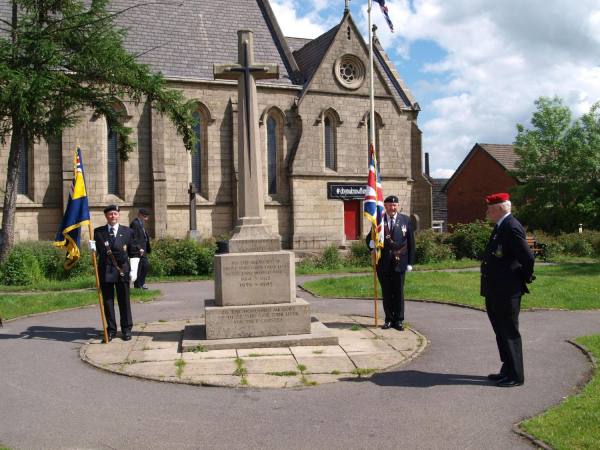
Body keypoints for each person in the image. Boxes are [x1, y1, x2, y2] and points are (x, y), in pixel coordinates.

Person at [481, 193, 535, 388]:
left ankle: (516, 375)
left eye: (490, 208)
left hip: (506, 290)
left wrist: (524, 277)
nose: (488, 212)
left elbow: (527, 257)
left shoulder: (511, 226)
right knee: (500, 331)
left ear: (501, 208)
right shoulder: (500, 226)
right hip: (495, 289)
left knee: (509, 332)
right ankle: (507, 367)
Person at [88, 205, 140, 342]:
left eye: (115, 214)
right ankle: (111, 330)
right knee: (108, 302)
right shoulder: (99, 232)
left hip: (122, 271)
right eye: (110, 214)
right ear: (106, 216)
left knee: (124, 302)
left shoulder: (127, 231)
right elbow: (98, 253)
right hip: (105, 271)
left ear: (119, 215)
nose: (113, 216)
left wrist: (134, 270)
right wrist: (93, 250)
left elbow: (133, 252)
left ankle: (126, 329)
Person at [366, 195, 415, 330]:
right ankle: (388, 319)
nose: (392, 208)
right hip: (383, 262)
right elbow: (371, 236)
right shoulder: (379, 220)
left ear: (397, 206)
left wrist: (410, 262)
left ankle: (398, 320)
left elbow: (411, 242)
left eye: (394, 205)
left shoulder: (406, 220)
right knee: (386, 292)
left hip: (400, 262)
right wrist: (370, 244)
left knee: (398, 292)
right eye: (389, 205)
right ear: (385, 206)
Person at [130, 208, 151, 289]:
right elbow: (134, 238)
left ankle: (141, 284)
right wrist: (138, 248)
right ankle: (138, 285)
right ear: (140, 215)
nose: (146, 219)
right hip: (138, 250)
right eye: (144, 217)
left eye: (146, 217)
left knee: (144, 266)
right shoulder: (135, 223)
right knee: (140, 268)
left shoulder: (140, 223)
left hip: (143, 250)